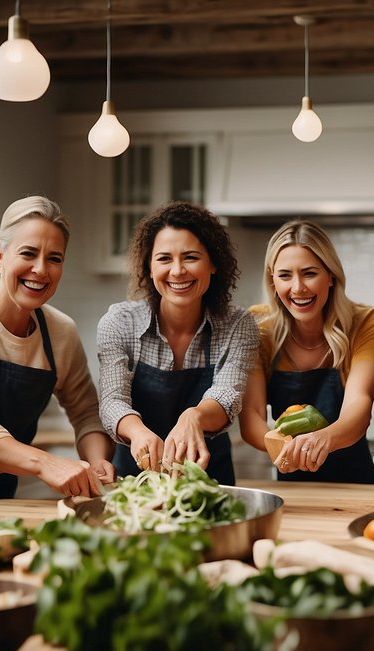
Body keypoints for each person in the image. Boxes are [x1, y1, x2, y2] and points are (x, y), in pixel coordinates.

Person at [0, 196, 114, 500]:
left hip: (2, 498)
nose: (41, 270)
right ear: (0, 256)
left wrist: (96, 462)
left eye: (54, 258)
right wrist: (44, 462)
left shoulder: (60, 332)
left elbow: (87, 413)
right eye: (28, 253)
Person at [97, 201, 258, 485]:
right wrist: (137, 432)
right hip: (136, 482)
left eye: (191, 257)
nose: (177, 270)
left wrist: (194, 416)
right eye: (164, 259)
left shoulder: (237, 325)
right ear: (148, 267)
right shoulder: (118, 322)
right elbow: (112, 401)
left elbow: (227, 395)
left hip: (210, 483)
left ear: (214, 264)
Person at [239, 220, 374, 482]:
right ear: (272, 281)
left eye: (309, 273)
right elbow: (252, 418)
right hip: (292, 484)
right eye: (285, 275)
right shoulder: (257, 327)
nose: (297, 288)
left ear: (330, 276)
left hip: (356, 483)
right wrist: (287, 450)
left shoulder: (366, 323)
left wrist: (323, 439)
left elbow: (359, 406)